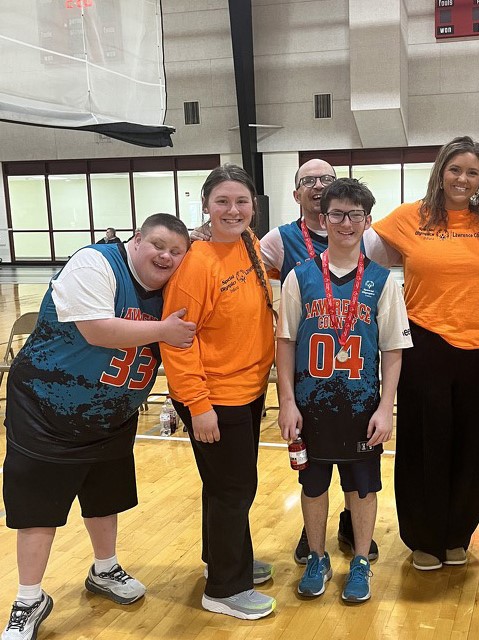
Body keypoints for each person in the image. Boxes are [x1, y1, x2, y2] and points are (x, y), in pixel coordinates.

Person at [1, 214, 195, 640]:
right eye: (158, 245)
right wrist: (165, 330)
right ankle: (28, 599)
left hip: (111, 414)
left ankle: (104, 570)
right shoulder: (96, 263)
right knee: (38, 507)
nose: (166, 256)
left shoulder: (176, 286)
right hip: (46, 409)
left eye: (176, 251)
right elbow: (97, 330)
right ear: (136, 239)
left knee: (104, 497)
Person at [193, 158, 381, 565]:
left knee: (357, 476)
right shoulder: (276, 239)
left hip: (352, 382)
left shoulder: (366, 236)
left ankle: (353, 530)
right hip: (301, 382)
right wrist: (200, 234)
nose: (318, 185)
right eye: (308, 180)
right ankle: (306, 543)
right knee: (305, 476)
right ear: (297, 194)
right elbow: (230, 255)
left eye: (326, 178)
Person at [276, 178, 411, 602]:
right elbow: (285, 343)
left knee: (363, 488)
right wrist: (286, 402)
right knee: (313, 487)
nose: (346, 223)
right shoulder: (299, 277)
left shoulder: (383, 281)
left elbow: (392, 350)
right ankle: (317, 557)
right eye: (337, 214)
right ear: (323, 218)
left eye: (355, 215)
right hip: (310, 407)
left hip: (361, 407)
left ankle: (361, 561)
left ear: (367, 221)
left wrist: (386, 407)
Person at [369, 136, 479, 570]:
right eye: (455, 169)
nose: (463, 179)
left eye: (472, 172)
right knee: (424, 442)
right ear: (441, 172)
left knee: (472, 445)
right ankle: (424, 537)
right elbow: (359, 253)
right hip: (425, 343)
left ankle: (457, 532)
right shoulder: (410, 217)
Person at [160, 164, 277, 621]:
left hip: (246, 390)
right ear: (206, 206)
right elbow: (177, 341)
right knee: (235, 490)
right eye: (222, 201)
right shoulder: (197, 263)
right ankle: (226, 587)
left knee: (224, 487)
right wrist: (198, 405)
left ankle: (224, 558)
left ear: (253, 206)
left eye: (241, 201)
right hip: (214, 396)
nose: (233, 209)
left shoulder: (248, 243)